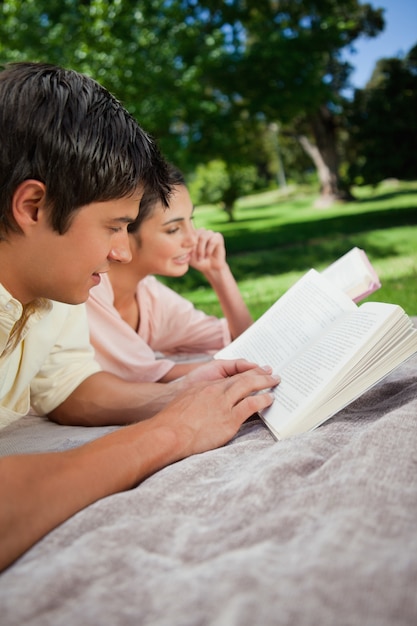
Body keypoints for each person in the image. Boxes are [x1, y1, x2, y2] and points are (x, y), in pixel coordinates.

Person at [0, 62, 279, 572]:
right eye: (114, 227)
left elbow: (68, 387)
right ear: (34, 206)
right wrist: (170, 433)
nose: (121, 254)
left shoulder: (55, 290)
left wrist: (180, 395)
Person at [86, 165, 253, 382]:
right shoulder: (88, 289)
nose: (192, 239)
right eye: (173, 229)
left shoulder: (150, 298)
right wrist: (232, 368)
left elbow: (243, 341)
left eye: (190, 221)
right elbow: (140, 375)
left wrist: (219, 273)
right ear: (124, 231)